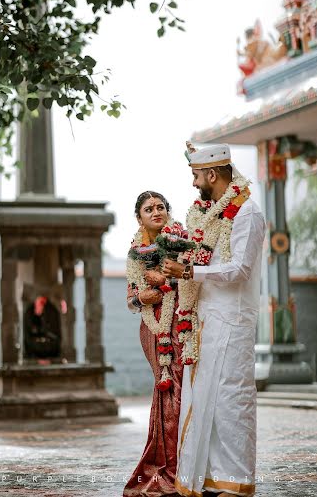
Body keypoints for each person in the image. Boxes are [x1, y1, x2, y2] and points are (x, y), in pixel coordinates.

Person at [163, 144, 265, 497]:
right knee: (204, 397)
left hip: (233, 320)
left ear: (212, 174)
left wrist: (190, 270)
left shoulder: (247, 213)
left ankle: (235, 481)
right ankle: (207, 476)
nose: (193, 184)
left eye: (196, 176)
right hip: (205, 319)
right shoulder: (210, 216)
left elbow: (240, 269)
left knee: (230, 400)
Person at [124, 191, 183, 497]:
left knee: (180, 388)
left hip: (181, 322)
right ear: (140, 217)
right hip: (152, 326)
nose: (156, 211)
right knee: (166, 388)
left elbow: (189, 278)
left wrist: (165, 282)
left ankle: (183, 466)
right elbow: (131, 300)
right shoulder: (135, 253)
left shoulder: (180, 239)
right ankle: (167, 465)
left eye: (161, 207)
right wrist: (141, 297)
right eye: (149, 209)